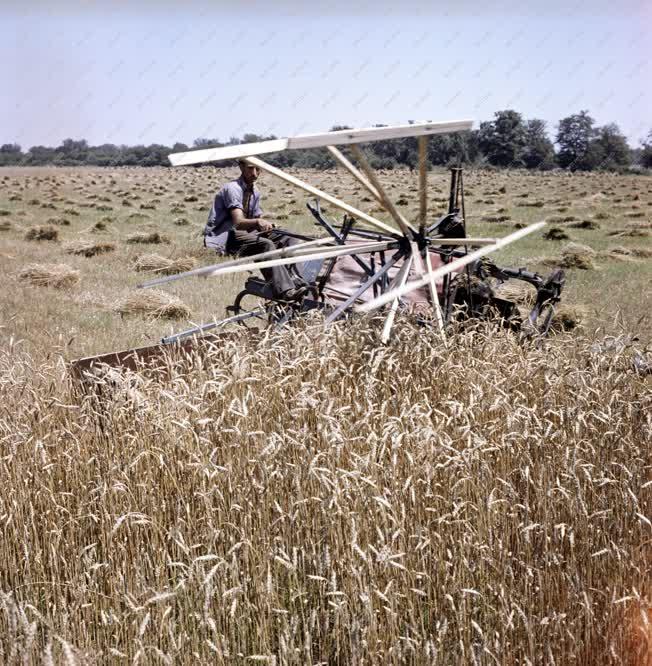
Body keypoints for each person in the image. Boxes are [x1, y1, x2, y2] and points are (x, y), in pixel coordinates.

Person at [203, 160, 307, 300]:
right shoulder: (233, 189)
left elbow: (255, 220)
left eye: (258, 169)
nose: (255, 173)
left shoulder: (255, 192)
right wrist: (258, 222)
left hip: (245, 234)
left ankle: (297, 280)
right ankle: (284, 291)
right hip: (225, 237)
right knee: (266, 245)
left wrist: (266, 225)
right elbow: (239, 223)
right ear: (241, 167)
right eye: (250, 168)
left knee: (289, 237)